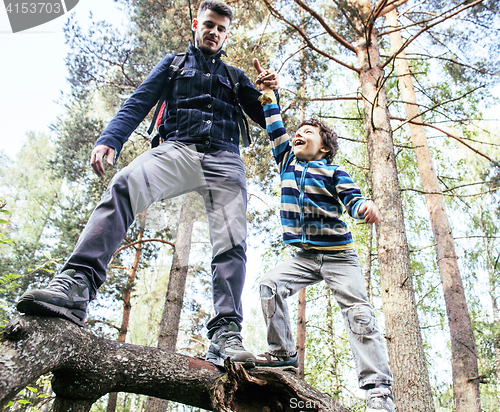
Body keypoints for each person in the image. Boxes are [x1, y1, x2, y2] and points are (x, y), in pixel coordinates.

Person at [16, 0, 278, 369]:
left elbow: (268, 120)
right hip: (178, 149)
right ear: (195, 24)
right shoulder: (173, 65)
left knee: (232, 240)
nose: (214, 33)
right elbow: (138, 102)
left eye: (221, 29)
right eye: (209, 25)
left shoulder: (235, 77)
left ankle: (225, 335)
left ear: (226, 34)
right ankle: (75, 285)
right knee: (124, 184)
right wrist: (111, 138)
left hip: (224, 158)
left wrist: (269, 93)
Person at [253, 60, 395, 412]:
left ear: (325, 147)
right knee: (269, 285)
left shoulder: (333, 171)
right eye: (297, 131)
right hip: (303, 257)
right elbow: (275, 128)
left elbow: (353, 197)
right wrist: (270, 94)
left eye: (308, 132)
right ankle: (283, 355)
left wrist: (363, 207)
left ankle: (378, 389)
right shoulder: (286, 161)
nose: (299, 134)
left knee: (358, 314)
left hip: (338, 257)